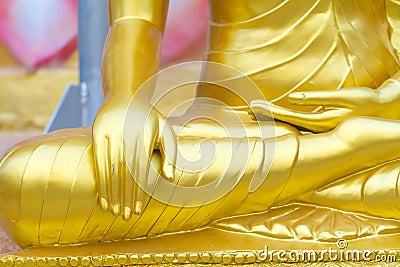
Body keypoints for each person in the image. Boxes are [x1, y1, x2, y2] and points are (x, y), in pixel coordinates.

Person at [1, 0, 400, 250]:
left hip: (379, 118)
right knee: (26, 181)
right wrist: (126, 97)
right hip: (230, 129)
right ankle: (347, 154)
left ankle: (336, 159)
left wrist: (390, 99)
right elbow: (136, 18)